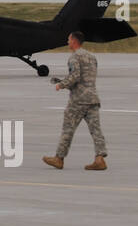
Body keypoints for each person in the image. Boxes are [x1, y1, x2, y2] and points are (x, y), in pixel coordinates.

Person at [42, 31, 107, 171]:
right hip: (93, 98)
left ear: (74, 41)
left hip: (78, 100)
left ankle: (59, 158)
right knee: (96, 130)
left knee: (68, 129)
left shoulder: (74, 57)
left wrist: (61, 84)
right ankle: (100, 159)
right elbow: (88, 77)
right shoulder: (92, 57)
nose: (67, 42)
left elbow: (75, 76)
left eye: (68, 39)